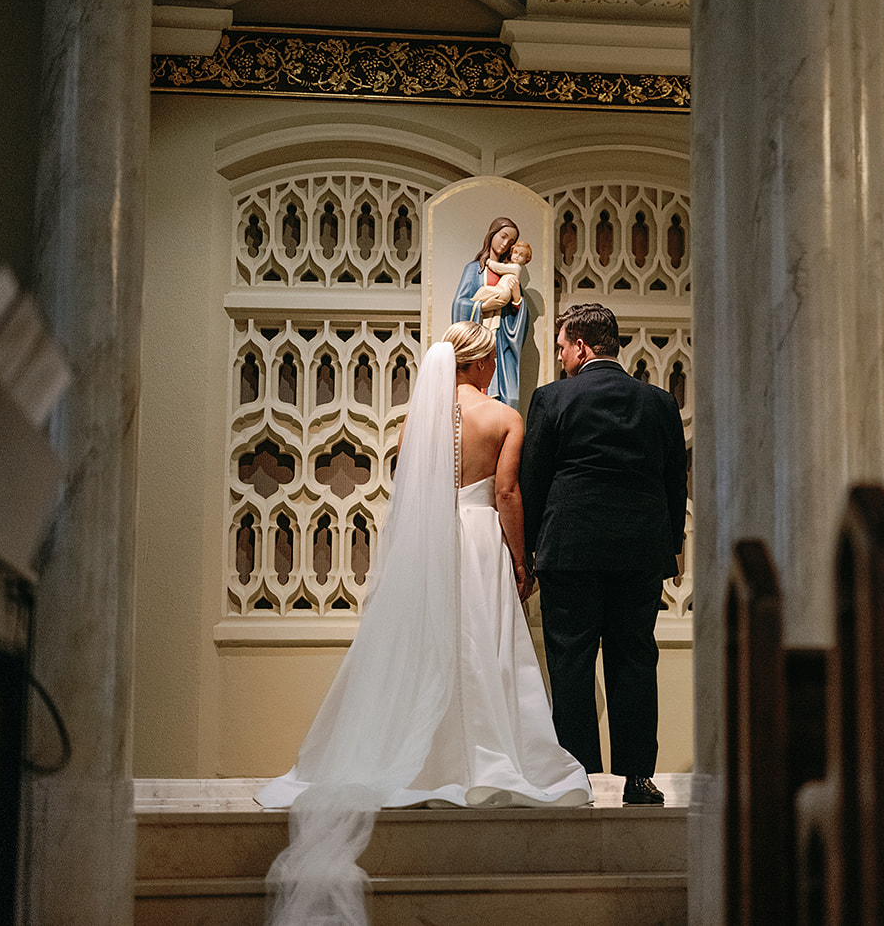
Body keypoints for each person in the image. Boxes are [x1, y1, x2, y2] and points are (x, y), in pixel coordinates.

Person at [257, 322, 591, 925]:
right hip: (482, 543)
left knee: (425, 652)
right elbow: (508, 493)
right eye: (490, 360)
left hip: (430, 544)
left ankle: (417, 756)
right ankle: (488, 758)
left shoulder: (417, 423)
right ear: (483, 363)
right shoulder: (504, 418)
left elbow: (408, 491)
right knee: (482, 649)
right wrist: (520, 559)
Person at [520, 303, 688, 805]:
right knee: (634, 659)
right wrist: (669, 548)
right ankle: (638, 778)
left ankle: (584, 779)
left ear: (581, 347)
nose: (561, 358)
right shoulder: (658, 403)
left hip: (570, 550)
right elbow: (674, 480)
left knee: (571, 663)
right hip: (638, 552)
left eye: (562, 348)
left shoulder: (552, 398)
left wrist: (526, 552)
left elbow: (535, 479)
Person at [452, 217, 530, 408]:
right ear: (492, 234)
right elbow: (458, 305)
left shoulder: (509, 273)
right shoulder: (474, 270)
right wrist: (482, 307)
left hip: (500, 343)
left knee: (504, 397)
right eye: (502, 237)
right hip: (479, 340)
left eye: (510, 242)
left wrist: (518, 299)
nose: (505, 244)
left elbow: (518, 318)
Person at [472, 239, 532, 313]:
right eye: (515, 252)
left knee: (484, 290)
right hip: (501, 291)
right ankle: (474, 306)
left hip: (503, 292)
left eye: (521, 255)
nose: (517, 256)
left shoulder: (516, 267)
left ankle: (472, 304)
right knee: (485, 292)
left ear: (526, 260)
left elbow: (499, 268)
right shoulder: (511, 266)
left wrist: (489, 262)